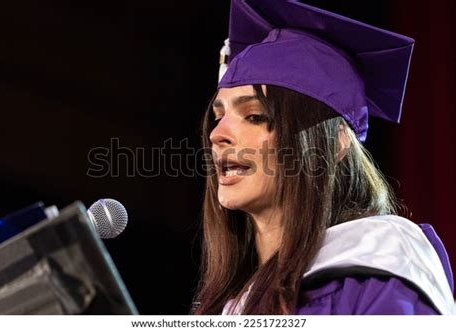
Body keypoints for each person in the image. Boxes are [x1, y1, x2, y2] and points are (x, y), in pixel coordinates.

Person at [190, 0, 455, 315]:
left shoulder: (381, 270)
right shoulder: (229, 304)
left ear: (337, 143)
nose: (217, 134)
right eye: (218, 116)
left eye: (256, 116)